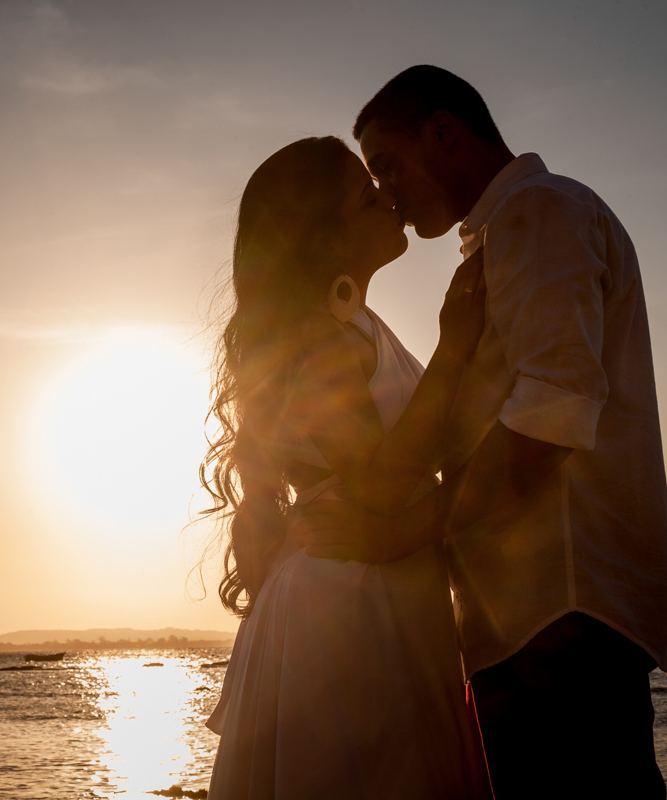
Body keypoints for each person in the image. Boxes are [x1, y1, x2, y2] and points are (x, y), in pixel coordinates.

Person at [296, 66, 667, 799]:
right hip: (532, 622)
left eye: (387, 166)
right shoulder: (498, 245)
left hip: (559, 616)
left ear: (444, 133)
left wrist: (419, 534)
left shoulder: (540, 213)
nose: (388, 196)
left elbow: (553, 415)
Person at [201, 135, 491, 799]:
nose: (388, 197)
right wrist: (454, 346)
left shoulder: (351, 325)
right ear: (330, 243)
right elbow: (380, 486)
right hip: (349, 603)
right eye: (367, 196)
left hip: (378, 589)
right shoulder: (320, 340)